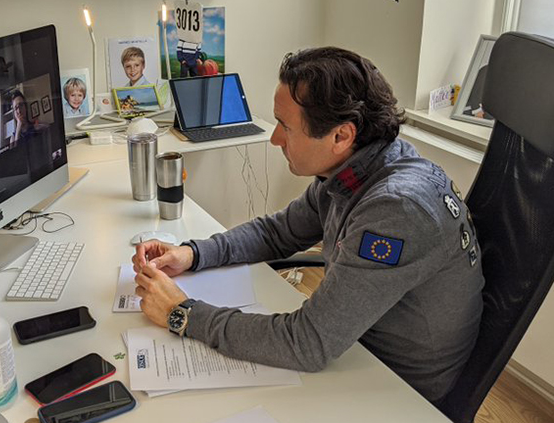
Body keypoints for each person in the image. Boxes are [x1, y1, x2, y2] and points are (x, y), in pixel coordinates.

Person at [132, 47, 484, 406]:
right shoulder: (357, 167)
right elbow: (278, 232)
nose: (275, 139)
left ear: (341, 136)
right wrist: (192, 252)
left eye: (285, 127)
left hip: (397, 392)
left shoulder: (396, 210)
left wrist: (183, 314)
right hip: (355, 344)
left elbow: (307, 343)